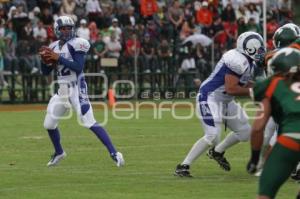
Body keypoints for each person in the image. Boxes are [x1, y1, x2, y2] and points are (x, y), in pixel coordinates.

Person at [175, 31, 266, 177]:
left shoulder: (248, 62)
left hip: (225, 101)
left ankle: (217, 152)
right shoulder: (236, 60)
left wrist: (261, 86)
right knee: (212, 136)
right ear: (250, 48)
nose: (262, 51)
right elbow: (231, 87)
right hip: (210, 97)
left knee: (245, 132)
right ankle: (183, 166)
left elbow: (243, 82)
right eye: (259, 48)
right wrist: (254, 92)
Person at [39, 16, 125, 167]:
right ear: (57, 30)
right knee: (49, 124)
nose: (66, 31)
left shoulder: (77, 44)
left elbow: (78, 67)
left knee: (89, 121)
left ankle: (114, 153)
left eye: (69, 28)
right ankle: (59, 153)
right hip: (62, 90)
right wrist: (44, 61)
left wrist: (58, 58)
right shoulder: (53, 46)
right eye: (63, 29)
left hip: (77, 87)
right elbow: (46, 72)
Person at [246, 47, 300, 199]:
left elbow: (257, 128)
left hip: (291, 138)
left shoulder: (274, 82)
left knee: (265, 194)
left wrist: (255, 159)